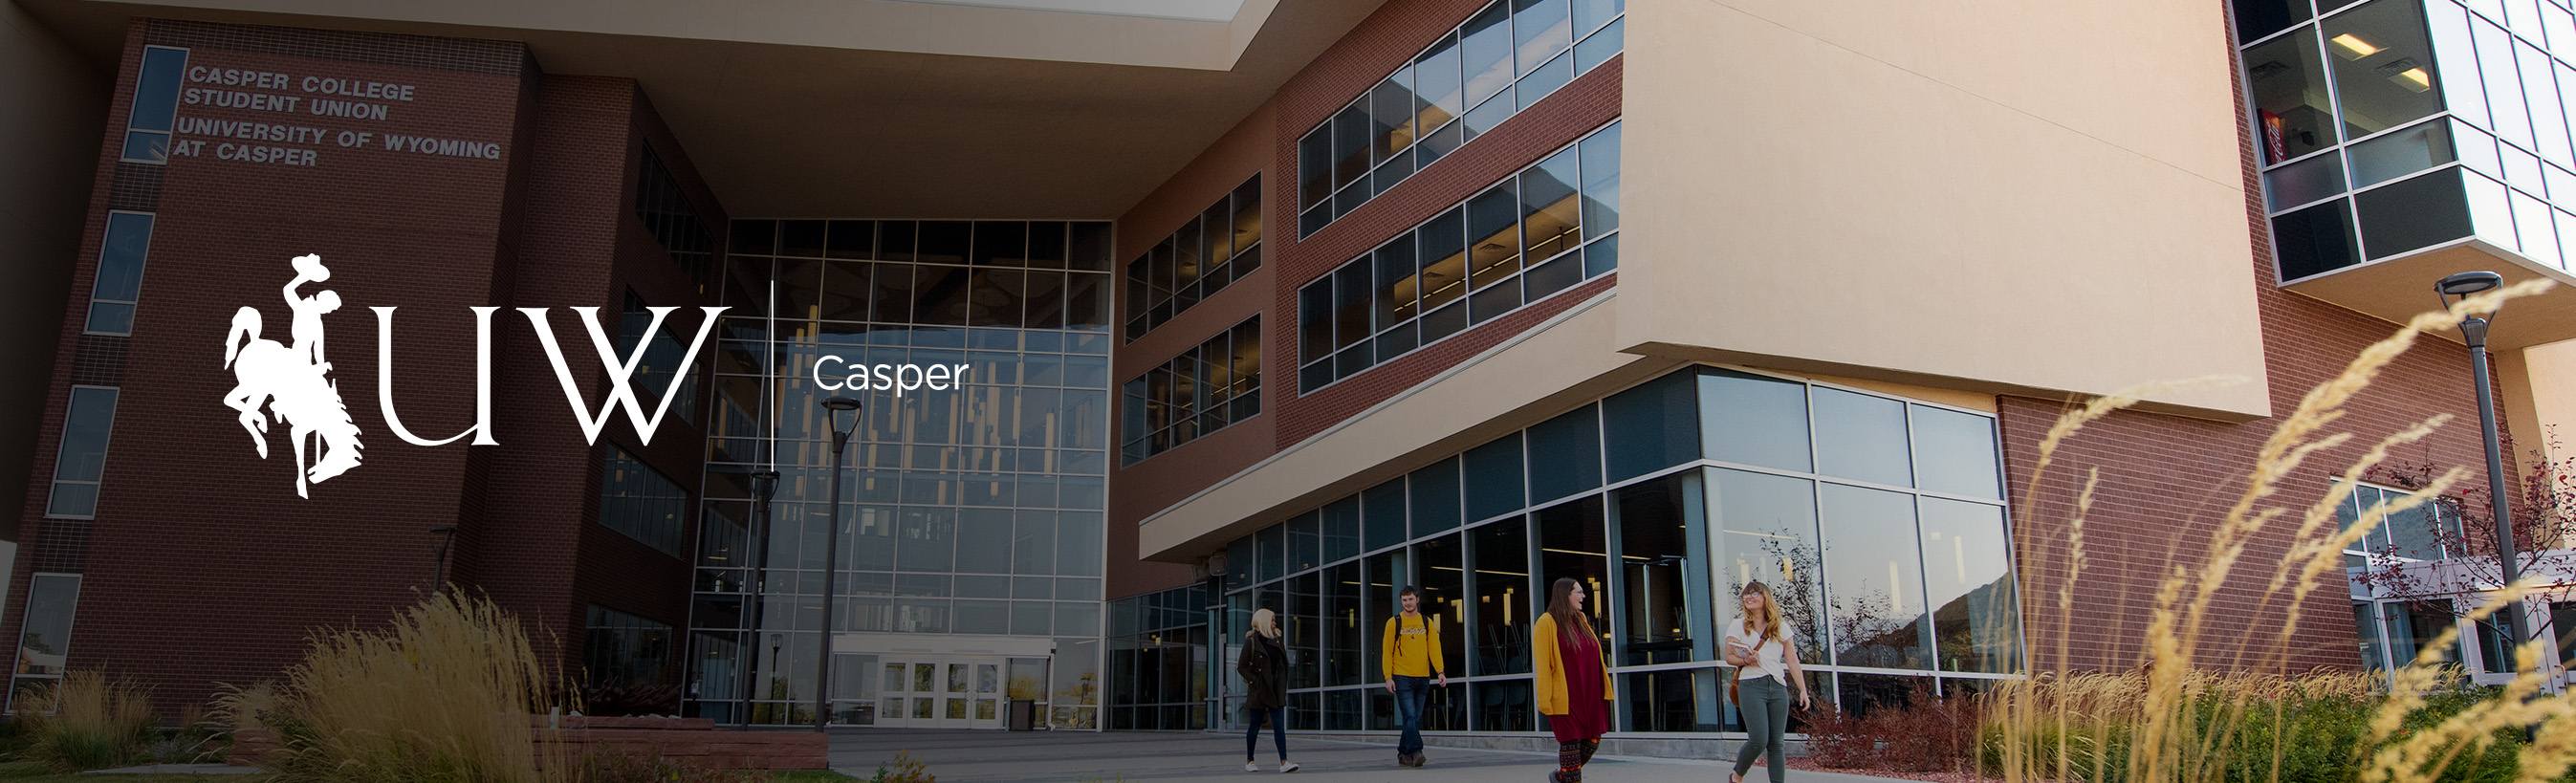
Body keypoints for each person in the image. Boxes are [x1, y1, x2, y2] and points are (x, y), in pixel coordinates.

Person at [1725, 581, 1810, 783]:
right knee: (1758, 740)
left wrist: (1803, 690)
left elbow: (1792, 660)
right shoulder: (1738, 625)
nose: (1749, 597)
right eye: (1746, 595)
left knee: (1776, 744)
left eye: (1754, 593)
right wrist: (1747, 660)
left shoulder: (1781, 627)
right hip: (1751, 686)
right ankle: (1737, 775)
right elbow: (1729, 657)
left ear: (1765, 598)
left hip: (1778, 687)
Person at [1533, 577, 1611, 783]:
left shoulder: (1581, 620)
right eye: (1579, 592)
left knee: (1592, 741)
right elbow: (1543, 666)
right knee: (1571, 746)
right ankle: (1568, 777)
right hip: (1564, 698)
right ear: (1564, 594)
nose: (1583, 596)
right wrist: (1545, 700)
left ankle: (1560, 776)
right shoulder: (1546, 622)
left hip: (1590, 694)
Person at [1381, 586, 1448, 767]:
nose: (1407, 603)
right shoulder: (1393, 623)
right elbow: (1387, 652)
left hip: (1423, 676)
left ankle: (1403, 753)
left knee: (1415, 718)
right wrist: (1388, 677)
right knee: (1410, 716)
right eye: (1404, 600)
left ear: (1417, 599)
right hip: (1402, 676)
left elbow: (1434, 649)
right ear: (1401, 601)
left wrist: (1440, 672)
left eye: (1410, 599)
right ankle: (1417, 751)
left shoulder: (1427, 623)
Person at [1236, 608, 1299, 773]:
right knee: (1255, 726)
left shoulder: (1277, 640)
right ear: (1263, 621)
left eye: (1274, 620)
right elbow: (1241, 667)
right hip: (1259, 690)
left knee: (1278, 725)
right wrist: (1255, 681)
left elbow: (1282, 664)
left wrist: (1282, 680)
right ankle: (1250, 760)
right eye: (1272, 620)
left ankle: (1284, 761)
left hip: (1275, 689)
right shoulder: (1252, 642)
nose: (1274, 623)